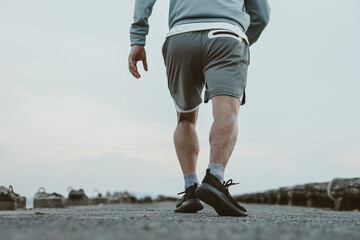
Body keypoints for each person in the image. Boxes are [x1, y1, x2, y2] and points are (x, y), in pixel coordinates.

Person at [128, 0, 270, 217]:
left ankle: (190, 188)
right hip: (226, 34)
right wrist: (237, 36)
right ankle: (214, 178)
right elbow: (261, 15)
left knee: (185, 119)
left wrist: (138, 39)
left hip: (181, 37)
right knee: (227, 111)